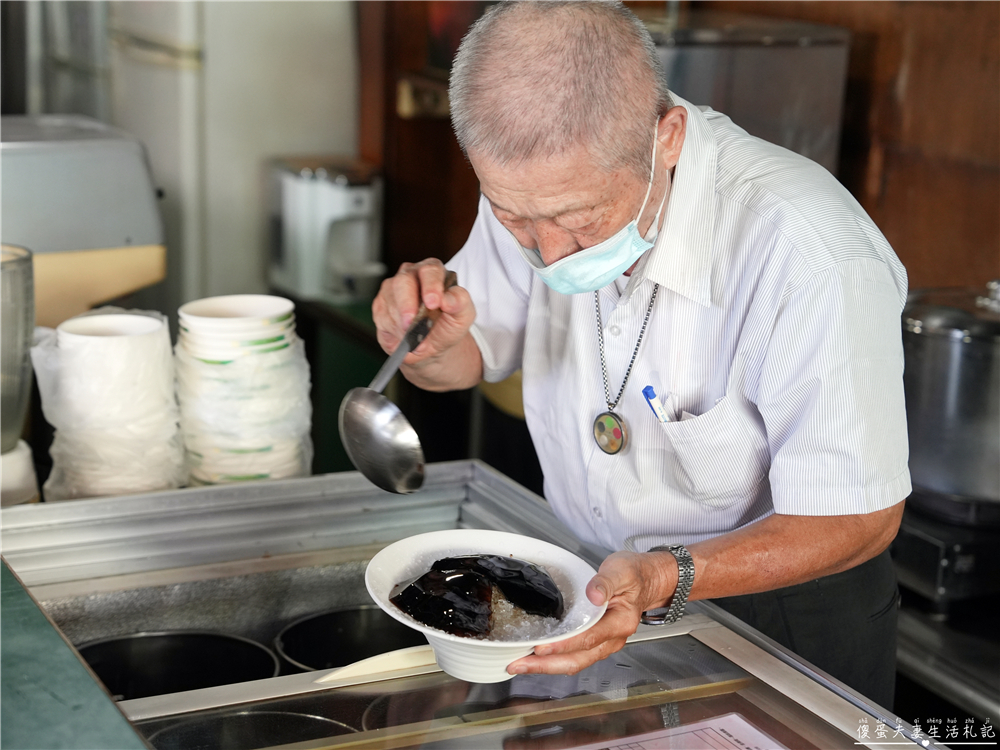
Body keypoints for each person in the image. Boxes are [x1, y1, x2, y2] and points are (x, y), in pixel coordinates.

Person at [372, 1, 908, 708]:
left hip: (782, 617)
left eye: (579, 220)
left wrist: (662, 577)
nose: (547, 251)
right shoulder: (536, 183)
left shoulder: (808, 250)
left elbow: (857, 517)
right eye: (512, 217)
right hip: (599, 587)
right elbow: (470, 356)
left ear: (668, 137)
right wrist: (426, 345)